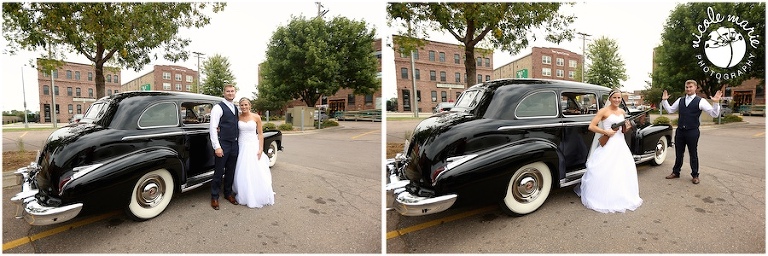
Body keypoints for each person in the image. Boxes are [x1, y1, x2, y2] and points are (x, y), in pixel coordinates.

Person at [575, 89, 643, 213]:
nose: (617, 100)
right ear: (610, 98)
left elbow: (623, 131)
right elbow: (592, 126)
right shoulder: (603, 111)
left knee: (621, 170)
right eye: (614, 98)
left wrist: (626, 128)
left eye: (619, 98)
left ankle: (620, 195)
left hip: (620, 144)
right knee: (603, 168)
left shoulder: (622, 111)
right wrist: (605, 132)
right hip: (608, 144)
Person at [661, 80, 722, 184]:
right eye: (686, 87)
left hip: (692, 131)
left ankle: (695, 175)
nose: (688, 89)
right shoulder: (680, 100)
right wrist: (664, 101)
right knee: (678, 153)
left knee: (693, 153)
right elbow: (670, 110)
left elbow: (714, 114)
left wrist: (716, 103)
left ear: (695, 88)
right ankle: (676, 172)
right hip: (680, 131)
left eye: (690, 87)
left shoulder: (701, 101)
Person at [232, 98, 275, 208]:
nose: (244, 107)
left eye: (246, 104)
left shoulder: (256, 117)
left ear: (250, 105)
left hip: (253, 146)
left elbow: (260, 134)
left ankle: (257, 192)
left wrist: (260, 149)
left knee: (255, 170)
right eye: (241, 105)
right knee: (242, 170)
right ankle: (244, 192)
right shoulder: (237, 117)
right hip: (241, 146)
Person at [209, 84, 240, 210]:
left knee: (231, 170)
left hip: (234, 144)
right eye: (228, 91)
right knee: (219, 171)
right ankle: (214, 196)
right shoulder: (218, 107)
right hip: (223, 144)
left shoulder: (235, 107)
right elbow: (212, 127)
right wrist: (217, 146)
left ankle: (228, 193)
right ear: (224, 93)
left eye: (232, 91)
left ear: (235, 92)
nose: (230, 93)